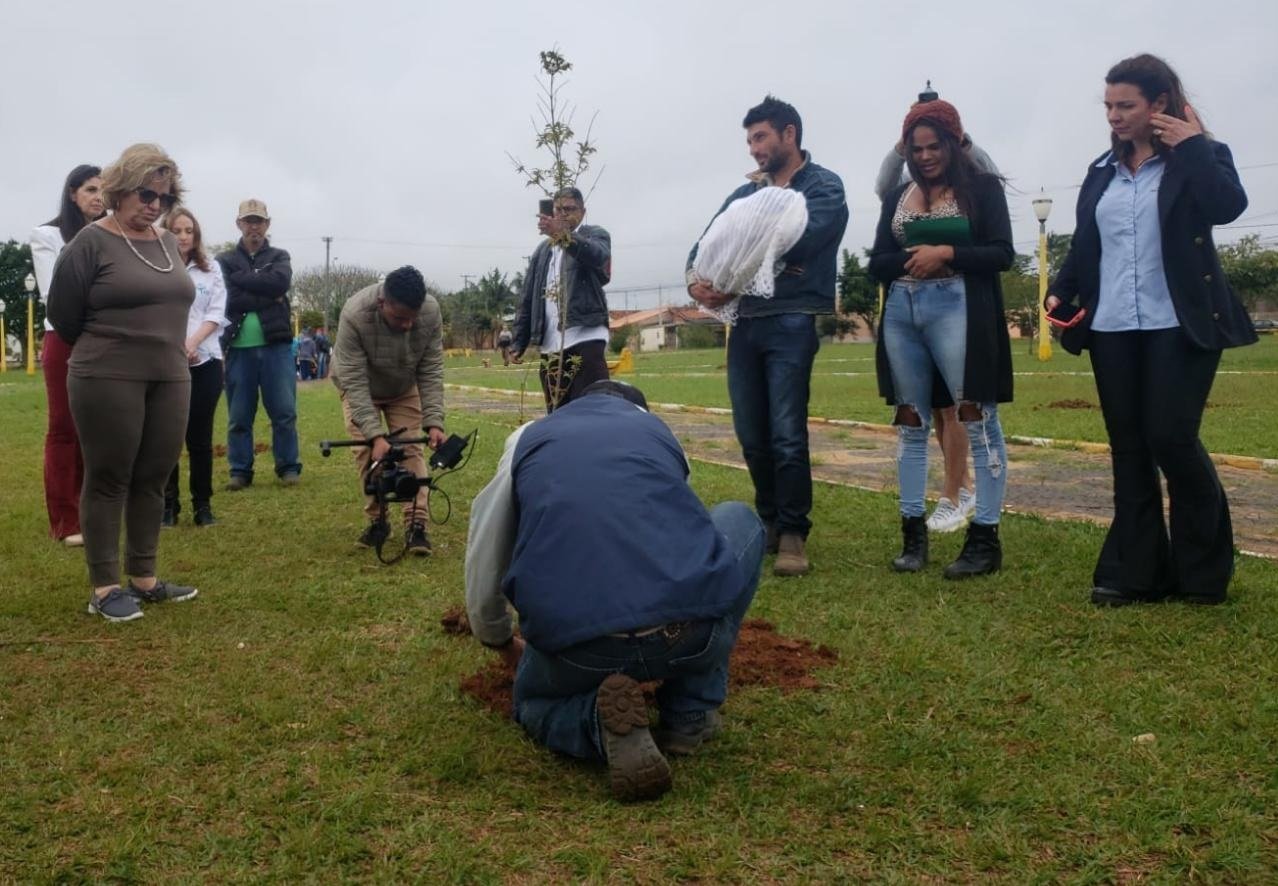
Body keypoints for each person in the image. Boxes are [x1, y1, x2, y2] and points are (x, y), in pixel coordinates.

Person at [465, 380, 764, 802]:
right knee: (738, 518)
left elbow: (486, 547)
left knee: (532, 703)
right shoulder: (658, 432)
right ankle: (689, 712)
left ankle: (594, 724)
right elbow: (689, 539)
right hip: (687, 638)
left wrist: (497, 638)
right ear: (639, 411)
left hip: (578, 650)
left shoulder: (528, 438)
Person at [1046, 54, 1254, 607]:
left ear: (1158, 104)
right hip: (1113, 327)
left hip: (1179, 324)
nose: (1113, 116)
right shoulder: (1100, 171)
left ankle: (1202, 573)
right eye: (1108, 105)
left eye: (1126, 105)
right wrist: (1061, 291)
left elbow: (1227, 206)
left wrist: (1192, 146)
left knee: (1171, 438)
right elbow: (1088, 245)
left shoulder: (1201, 157)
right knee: (1129, 449)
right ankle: (1135, 574)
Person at [687, 95, 848, 576]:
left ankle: (794, 532)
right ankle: (769, 520)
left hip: (792, 318)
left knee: (785, 431)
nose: (754, 149)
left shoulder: (824, 187)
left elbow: (801, 236)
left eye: (761, 138)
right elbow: (707, 243)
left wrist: (739, 261)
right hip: (746, 322)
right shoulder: (745, 195)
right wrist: (697, 280)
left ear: (789, 134)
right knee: (751, 434)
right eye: (750, 140)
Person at [46, 143, 199, 622]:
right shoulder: (90, 243)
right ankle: (105, 587)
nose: (154, 204)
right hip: (106, 374)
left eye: (164, 196)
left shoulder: (169, 243)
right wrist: (113, 350)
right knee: (109, 476)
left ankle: (145, 578)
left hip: (170, 375)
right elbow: (62, 315)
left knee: (153, 476)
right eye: (144, 193)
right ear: (118, 189)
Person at [868, 100, 1015, 579]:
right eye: (917, 148)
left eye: (935, 147)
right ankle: (913, 535)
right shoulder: (898, 196)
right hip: (903, 312)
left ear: (953, 144)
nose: (926, 156)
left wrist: (948, 251)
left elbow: (1001, 253)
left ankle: (985, 538)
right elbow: (877, 262)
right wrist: (916, 259)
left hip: (960, 308)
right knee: (911, 422)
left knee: (976, 417)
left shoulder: (982, 190)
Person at [331, 266, 446, 553]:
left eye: (413, 318)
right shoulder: (355, 314)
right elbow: (354, 382)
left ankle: (416, 525)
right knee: (367, 452)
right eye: (399, 318)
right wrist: (375, 435)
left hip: (403, 386)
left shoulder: (430, 312)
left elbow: (431, 369)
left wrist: (434, 422)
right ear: (383, 302)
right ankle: (377, 521)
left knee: (410, 449)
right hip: (360, 386)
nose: (408, 325)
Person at [30, 164, 104, 547]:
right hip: (64, 336)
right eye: (90, 189)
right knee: (64, 427)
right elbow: (55, 292)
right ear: (73, 193)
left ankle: (96, 510)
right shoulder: (47, 236)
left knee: (99, 429)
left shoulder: (113, 235)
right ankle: (65, 519)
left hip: (105, 339)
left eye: (103, 190)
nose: (98, 197)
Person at [217, 198, 300, 490]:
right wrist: (263, 287)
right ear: (239, 223)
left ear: (267, 224)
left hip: (276, 346)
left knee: (284, 411)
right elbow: (229, 296)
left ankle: (288, 466)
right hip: (238, 348)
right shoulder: (223, 261)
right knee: (239, 415)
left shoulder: (280, 255)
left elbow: (280, 283)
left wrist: (245, 281)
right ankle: (240, 470)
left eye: (259, 221)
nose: (254, 226)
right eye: (248, 220)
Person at [510, 187, 612, 411]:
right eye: (558, 209)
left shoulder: (595, 235)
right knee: (557, 413)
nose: (563, 214)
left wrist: (563, 235)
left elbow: (599, 257)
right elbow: (528, 297)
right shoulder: (542, 251)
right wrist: (519, 340)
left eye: (569, 209)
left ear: (583, 212)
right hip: (551, 347)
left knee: (591, 410)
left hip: (586, 338)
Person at [162, 207, 228, 528]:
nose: (184, 236)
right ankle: (167, 505)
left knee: (200, 439)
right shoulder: (156, 266)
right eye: (178, 230)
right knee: (166, 439)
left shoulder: (210, 268)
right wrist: (174, 347)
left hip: (205, 362)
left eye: (190, 230)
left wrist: (190, 345)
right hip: (165, 364)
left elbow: (215, 313)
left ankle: (202, 505)